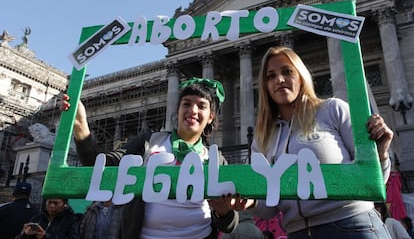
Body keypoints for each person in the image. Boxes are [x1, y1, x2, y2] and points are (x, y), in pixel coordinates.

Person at [61, 77, 239, 239]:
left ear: (211, 117)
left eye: (201, 106)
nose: (193, 110)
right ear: (177, 110)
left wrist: (223, 212)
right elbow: (99, 167)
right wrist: (81, 127)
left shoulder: (215, 159)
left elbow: (230, 224)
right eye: (186, 104)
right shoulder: (149, 142)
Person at [246, 46, 394, 238]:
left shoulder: (333, 110)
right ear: (265, 85)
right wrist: (249, 202)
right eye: (271, 76)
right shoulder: (262, 137)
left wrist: (380, 155)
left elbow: (374, 182)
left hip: (352, 225)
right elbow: (269, 208)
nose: (279, 80)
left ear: (301, 75)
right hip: (298, 232)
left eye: (287, 71)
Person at [16, 198, 80, 239]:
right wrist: (25, 234)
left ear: (64, 204)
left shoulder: (71, 220)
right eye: (49, 202)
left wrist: (45, 236)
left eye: (56, 203)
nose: (52, 206)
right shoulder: (38, 218)